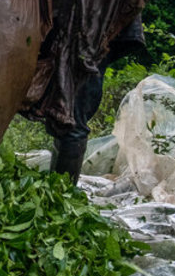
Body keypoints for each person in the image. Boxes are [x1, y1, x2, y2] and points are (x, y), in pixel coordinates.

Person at [47, 17, 145, 183]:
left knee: (73, 119)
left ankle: (59, 196)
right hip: (79, 29)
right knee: (71, 119)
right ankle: (57, 194)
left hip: (90, 33)